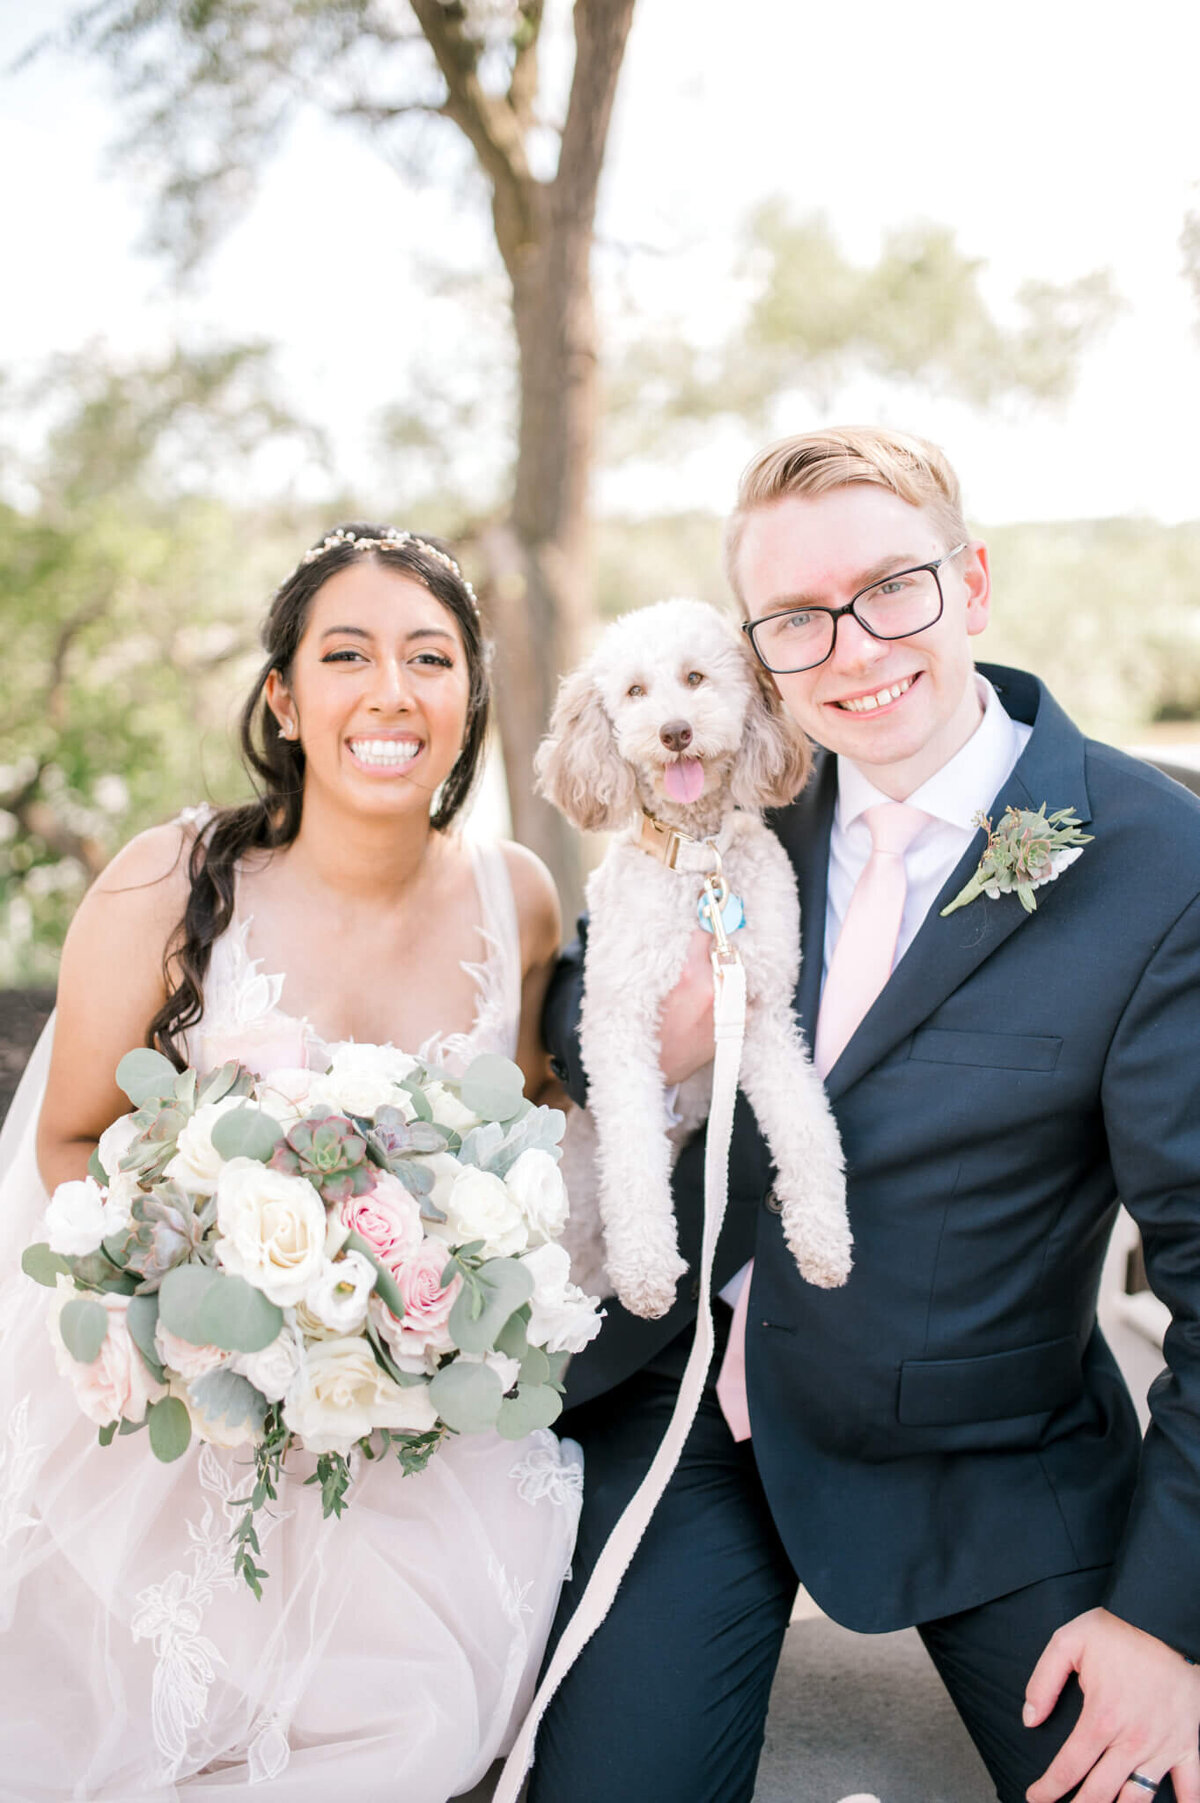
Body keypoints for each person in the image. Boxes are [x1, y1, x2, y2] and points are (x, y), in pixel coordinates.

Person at [533, 429, 1200, 1803]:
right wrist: (654, 1051)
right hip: (693, 1421)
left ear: (974, 583)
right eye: (794, 619)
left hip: (992, 1455)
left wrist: (1169, 1617)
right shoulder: (733, 796)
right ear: (758, 648)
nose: (850, 648)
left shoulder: (1153, 857)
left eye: (892, 588)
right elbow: (578, 999)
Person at [0, 524, 583, 1801]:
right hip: (183, 1411)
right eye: (348, 655)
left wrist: (429, 1308)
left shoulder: (520, 896)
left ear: (470, 693)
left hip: (414, 1429)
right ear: (285, 696)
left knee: (410, 1728)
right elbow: (65, 1136)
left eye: (431, 657)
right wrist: (193, 1317)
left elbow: (530, 1145)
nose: (392, 691)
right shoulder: (169, 878)